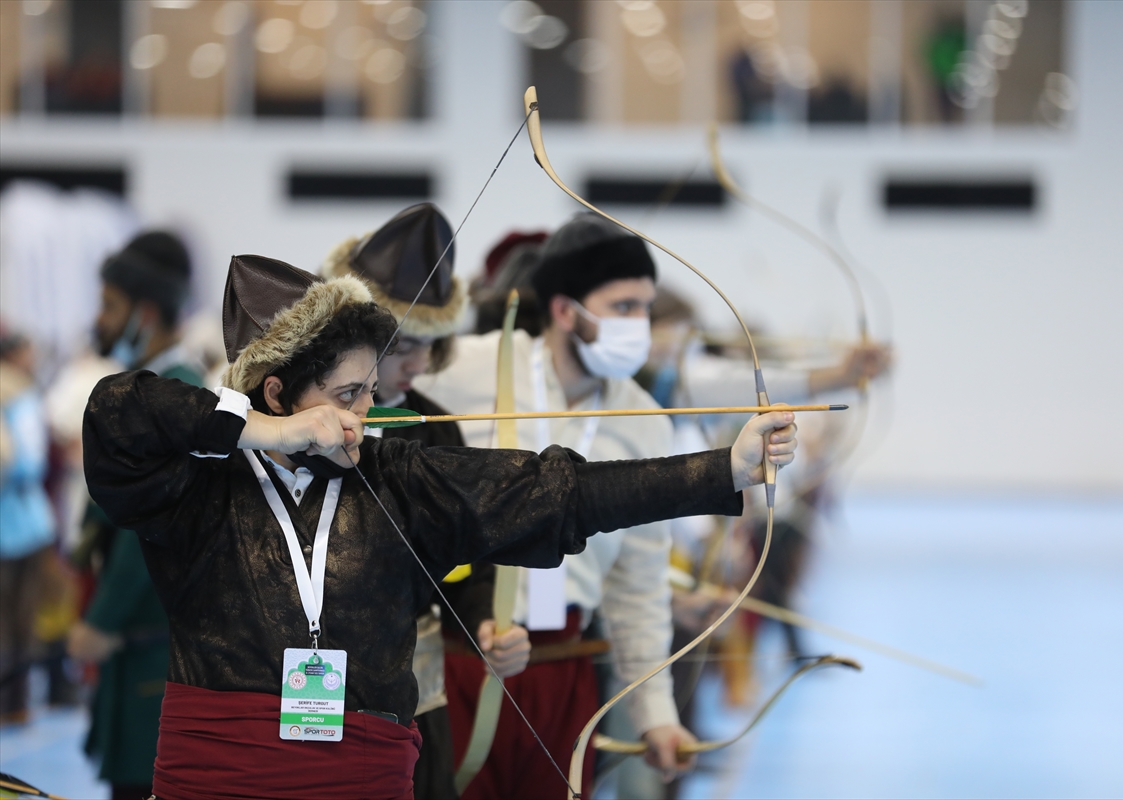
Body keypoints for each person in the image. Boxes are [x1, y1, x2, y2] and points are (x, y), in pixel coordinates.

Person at [81, 253, 798, 800]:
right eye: (347, 394)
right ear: (277, 393)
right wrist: (269, 432)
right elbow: (119, 410)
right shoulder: (196, 486)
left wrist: (721, 471)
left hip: (359, 772)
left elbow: (559, 492)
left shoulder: (397, 476)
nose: (366, 412)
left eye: (369, 389)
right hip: (216, 770)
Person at [415, 213, 704, 797]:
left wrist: (656, 716)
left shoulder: (644, 420)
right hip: (464, 658)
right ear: (565, 311)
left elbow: (638, 585)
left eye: (645, 308)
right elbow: (379, 389)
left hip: (567, 667)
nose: (639, 325)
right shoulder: (470, 370)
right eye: (622, 307)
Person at [321, 203, 532, 800]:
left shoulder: (433, 429)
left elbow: (468, 556)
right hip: (309, 687)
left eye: (430, 346)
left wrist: (489, 621)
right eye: (403, 344)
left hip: (415, 693)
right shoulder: (293, 427)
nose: (418, 363)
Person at [67, 230, 204, 800]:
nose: (98, 320)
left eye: (109, 306)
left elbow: (139, 529)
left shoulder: (174, 392)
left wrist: (101, 620)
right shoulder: (151, 387)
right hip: (139, 640)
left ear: (145, 315)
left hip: (152, 640)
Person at [0, 323, 56, 727]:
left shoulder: (21, 395)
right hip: (23, 523)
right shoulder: (21, 394)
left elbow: (26, 463)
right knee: (15, 621)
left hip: (21, 524)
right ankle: (15, 702)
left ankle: (15, 703)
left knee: (18, 621)